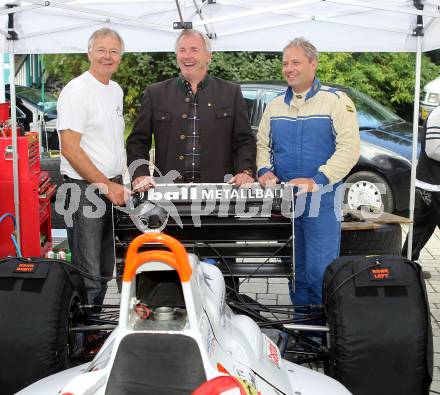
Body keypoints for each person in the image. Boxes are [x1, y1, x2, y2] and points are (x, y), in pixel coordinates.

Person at [256, 37, 360, 306]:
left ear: (313, 64)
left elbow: (349, 149)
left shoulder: (336, 101)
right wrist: (264, 169)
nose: (288, 68)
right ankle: (303, 333)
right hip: (286, 202)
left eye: (295, 62)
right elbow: (262, 143)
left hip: (322, 201)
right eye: (285, 63)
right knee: (295, 272)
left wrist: (318, 180)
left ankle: (326, 336)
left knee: (320, 273)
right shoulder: (275, 105)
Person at [126, 29, 256, 191]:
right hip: (168, 193)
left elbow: (244, 140)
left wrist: (245, 171)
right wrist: (140, 173)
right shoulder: (156, 93)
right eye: (182, 50)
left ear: (208, 56)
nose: (187, 56)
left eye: (194, 50)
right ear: (177, 56)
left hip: (219, 193)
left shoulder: (230, 93)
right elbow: (137, 141)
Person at [57, 28, 130, 306]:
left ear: (120, 56)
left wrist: (118, 181)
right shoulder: (76, 91)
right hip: (84, 190)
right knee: (88, 272)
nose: (107, 57)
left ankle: (95, 327)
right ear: (89, 52)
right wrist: (106, 184)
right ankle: (80, 341)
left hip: (109, 187)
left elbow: (109, 142)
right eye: (101, 50)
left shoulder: (115, 90)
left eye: (113, 51)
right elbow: (70, 149)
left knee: (103, 268)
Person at [402, 105, 440, 263]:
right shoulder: (438, 114)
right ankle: (405, 263)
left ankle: (406, 263)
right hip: (433, 183)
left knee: (421, 227)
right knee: (421, 227)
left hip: (431, 183)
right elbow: (433, 150)